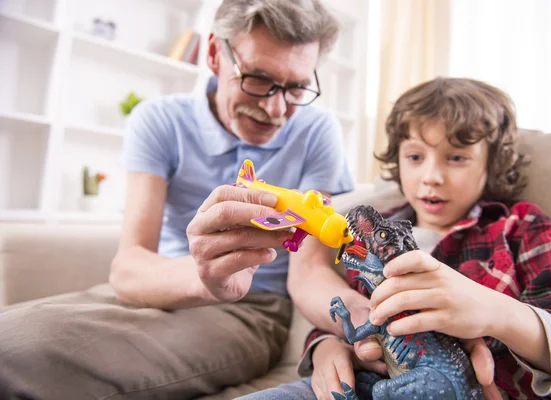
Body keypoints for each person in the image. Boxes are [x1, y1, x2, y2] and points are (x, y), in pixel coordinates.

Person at [0, 0, 356, 398]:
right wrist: (207, 274)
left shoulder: (317, 130)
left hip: (250, 310)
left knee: (24, 355)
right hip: (159, 284)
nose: (275, 108)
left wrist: (369, 319)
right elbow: (129, 267)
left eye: (295, 88)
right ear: (213, 54)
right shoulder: (159, 120)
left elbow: (308, 273)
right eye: (257, 78)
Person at [240, 77, 551, 400]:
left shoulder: (518, 226)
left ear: (491, 164)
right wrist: (324, 348)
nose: (431, 176)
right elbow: (351, 318)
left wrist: (498, 314)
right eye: (415, 156)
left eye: (456, 157)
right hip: (366, 384)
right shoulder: (374, 234)